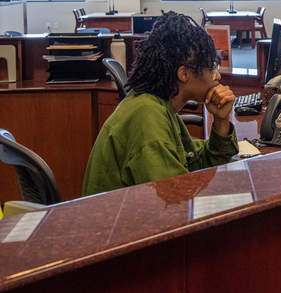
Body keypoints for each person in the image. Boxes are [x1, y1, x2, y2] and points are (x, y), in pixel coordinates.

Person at [82, 12, 238, 196]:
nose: (217, 76)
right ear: (184, 74)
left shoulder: (159, 105)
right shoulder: (147, 117)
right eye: (211, 67)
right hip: (123, 223)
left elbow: (196, 162)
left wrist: (221, 120)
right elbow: (175, 200)